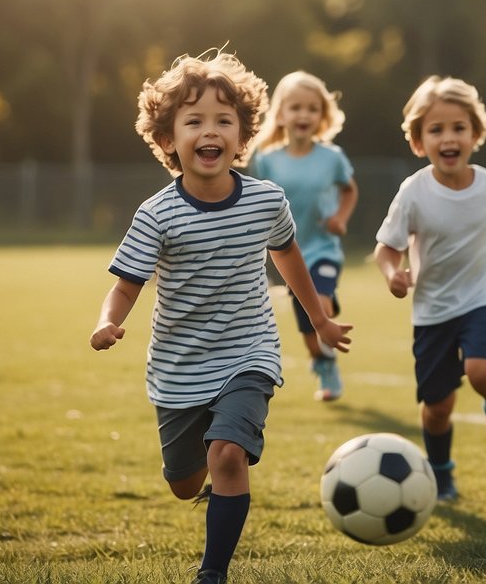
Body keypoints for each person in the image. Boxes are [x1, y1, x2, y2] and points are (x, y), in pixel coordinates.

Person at [90, 50, 351, 584]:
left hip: (248, 352)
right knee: (185, 482)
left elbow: (288, 257)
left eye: (223, 121)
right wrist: (107, 321)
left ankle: (213, 572)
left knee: (228, 455)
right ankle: (204, 482)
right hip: (179, 367)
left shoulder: (264, 200)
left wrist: (319, 319)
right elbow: (126, 284)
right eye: (194, 121)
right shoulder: (156, 214)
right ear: (168, 140)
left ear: (242, 137)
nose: (210, 131)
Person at [374, 76, 486, 502]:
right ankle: (441, 474)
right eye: (436, 130)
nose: (448, 137)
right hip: (431, 310)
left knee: (480, 371)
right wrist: (393, 275)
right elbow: (387, 249)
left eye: (458, 127)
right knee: (437, 407)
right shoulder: (413, 193)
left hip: (480, 298)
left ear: (475, 134)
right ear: (419, 141)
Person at [248, 71, 359, 401]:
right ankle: (323, 363)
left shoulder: (333, 158)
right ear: (280, 114)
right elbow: (257, 202)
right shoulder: (266, 161)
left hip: (324, 248)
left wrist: (340, 217)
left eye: (312, 108)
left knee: (321, 308)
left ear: (322, 116)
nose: (304, 115)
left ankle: (326, 348)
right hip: (288, 254)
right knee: (312, 332)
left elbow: (349, 191)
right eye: (295, 107)